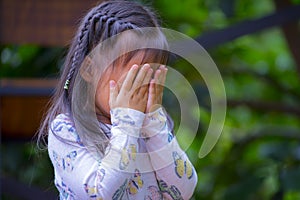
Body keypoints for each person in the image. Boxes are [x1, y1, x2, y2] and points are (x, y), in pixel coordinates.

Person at [38, 0, 198, 199]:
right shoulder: (67, 130)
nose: (141, 89)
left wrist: (154, 121)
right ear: (89, 70)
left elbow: (183, 190)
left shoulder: (149, 129)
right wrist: (127, 123)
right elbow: (101, 194)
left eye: (150, 77)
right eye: (133, 78)